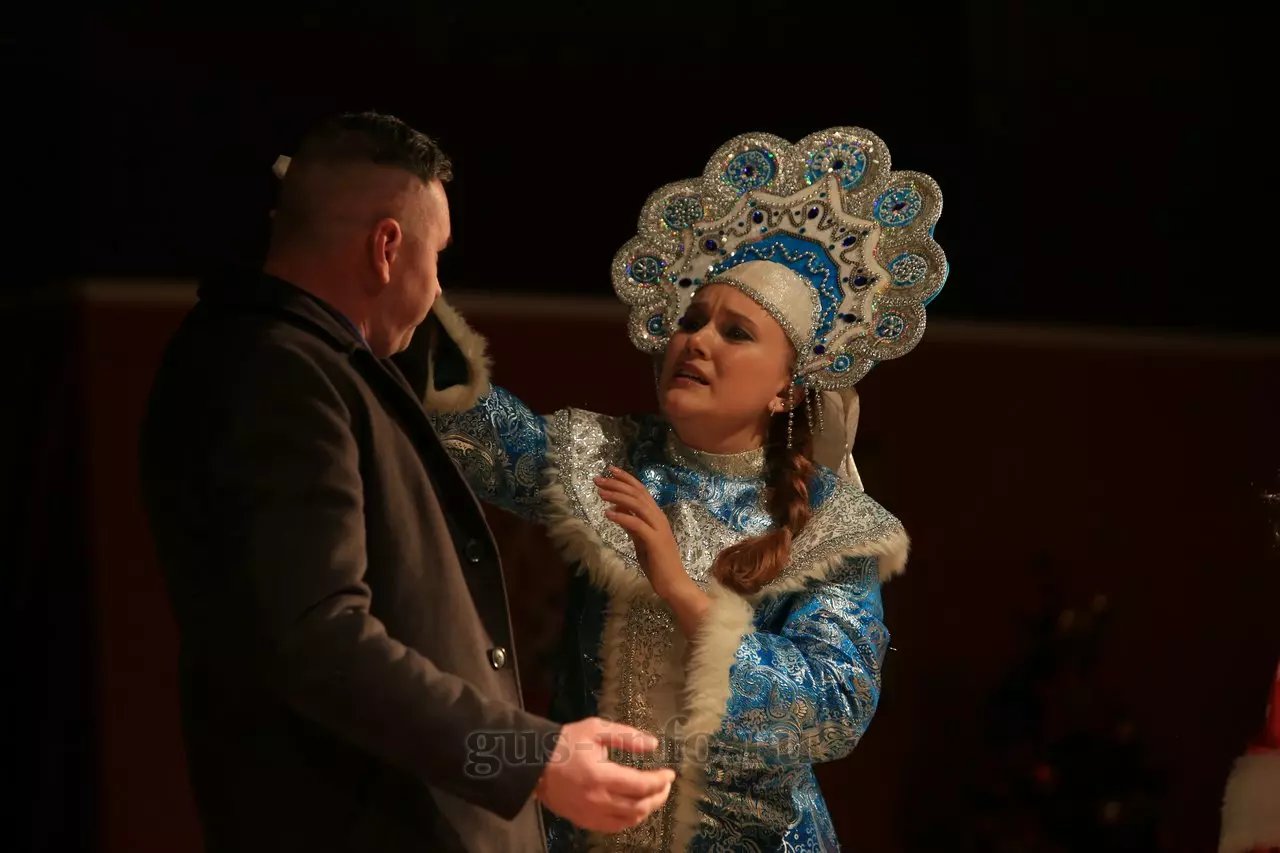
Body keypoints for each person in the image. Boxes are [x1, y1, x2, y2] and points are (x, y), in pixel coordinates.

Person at [139, 112, 674, 853]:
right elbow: (318, 637)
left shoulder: (313, 364)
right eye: (438, 256)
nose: (438, 287)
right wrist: (530, 756)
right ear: (387, 247)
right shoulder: (278, 374)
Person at [410, 127, 949, 850]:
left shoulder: (832, 526)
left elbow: (830, 714)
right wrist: (407, 288)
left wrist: (681, 589)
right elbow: (470, 424)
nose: (696, 341)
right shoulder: (606, 461)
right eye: (692, 322)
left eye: (736, 332)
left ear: (787, 390)